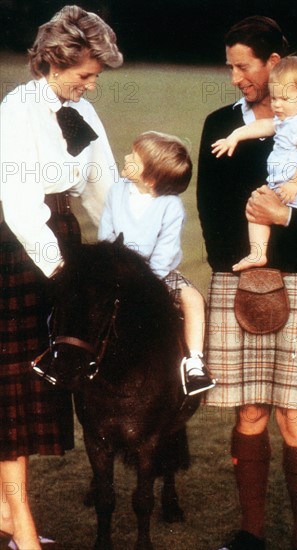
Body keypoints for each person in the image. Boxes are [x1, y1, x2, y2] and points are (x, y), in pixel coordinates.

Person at [197, 15, 297, 550]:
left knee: (295, 416)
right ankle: (251, 536)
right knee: (249, 411)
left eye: (243, 66)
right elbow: (213, 215)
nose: (236, 77)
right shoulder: (220, 124)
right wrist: (250, 266)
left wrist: (286, 220)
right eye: (230, 67)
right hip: (238, 279)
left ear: (274, 64)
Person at [0, 5, 123, 549]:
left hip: (63, 239)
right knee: (13, 387)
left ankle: (6, 513)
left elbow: (105, 190)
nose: (91, 86)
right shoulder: (17, 110)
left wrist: (133, 258)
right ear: (55, 59)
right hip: (15, 247)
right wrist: (57, 269)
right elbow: (20, 202)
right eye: (87, 75)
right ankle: (20, 525)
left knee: (48, 378)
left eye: (96, 77)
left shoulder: (84, 113)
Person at [98, 130, 215, 396]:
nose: (126, 157)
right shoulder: (116, 191)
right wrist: (113, 268)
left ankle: (194, 363)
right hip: (117, 268)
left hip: (157, 273)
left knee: (193, 299)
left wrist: (145, 280)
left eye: (134, 158)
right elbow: (106, 234)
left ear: (150, 179)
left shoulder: (170, 206)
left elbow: (166, 251)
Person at [212, 55, 297, 288]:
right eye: (274, 98)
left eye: (284, 98)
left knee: (257, 212)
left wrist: (295, 184)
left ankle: (259, 251)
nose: (277, 104)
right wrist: (235, 136)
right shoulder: (292, 118)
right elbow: (264, 125)